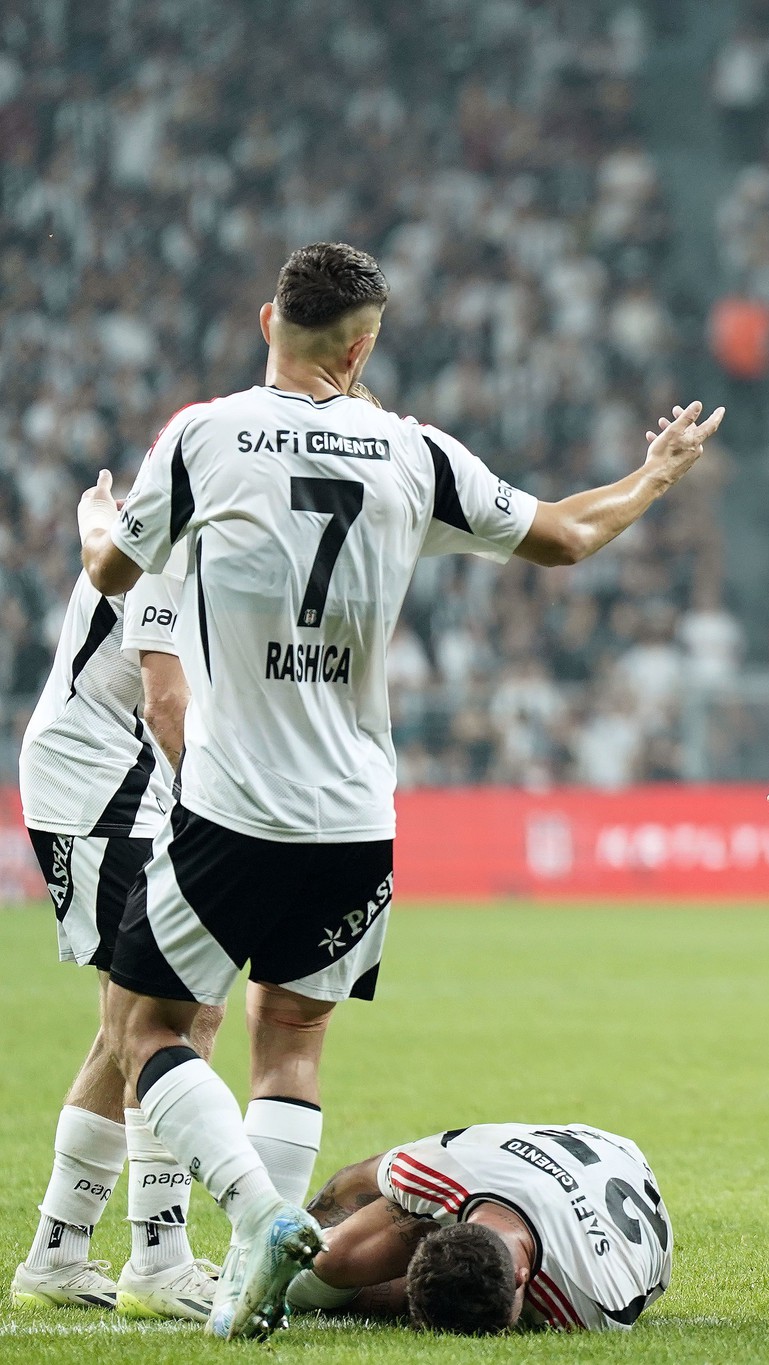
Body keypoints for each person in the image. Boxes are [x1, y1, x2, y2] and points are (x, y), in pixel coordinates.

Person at [75, 240, 724, 1339]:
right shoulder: (412, 452)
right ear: (364, 346)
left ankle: (254, 1215)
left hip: (234, 808)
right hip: (358, 823)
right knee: (290, 1042)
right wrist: (656, 473)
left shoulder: (203, 435)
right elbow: (565, 537)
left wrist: (99, 525)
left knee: (148, 1032)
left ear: (265, 319)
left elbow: (112, 575)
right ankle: (251, 1269)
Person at [10, 544, 228, 1322]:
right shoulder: (180, 544)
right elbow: (165, 703)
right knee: (175, 1008)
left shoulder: (181, 527)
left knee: (130, 1024)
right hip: (100, 779)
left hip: (115, 774)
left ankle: (58, 1255)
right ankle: (160, 1259)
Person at [282, 1122, 670, 1334]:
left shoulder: (591, 1305)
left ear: (523, 1279)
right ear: (434, 1230)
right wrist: (276, 1247)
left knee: (368, 1291)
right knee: (332, 1258)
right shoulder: (435, 1169)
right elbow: (358, 1180)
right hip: (532, 1156)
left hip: (615, 1155)